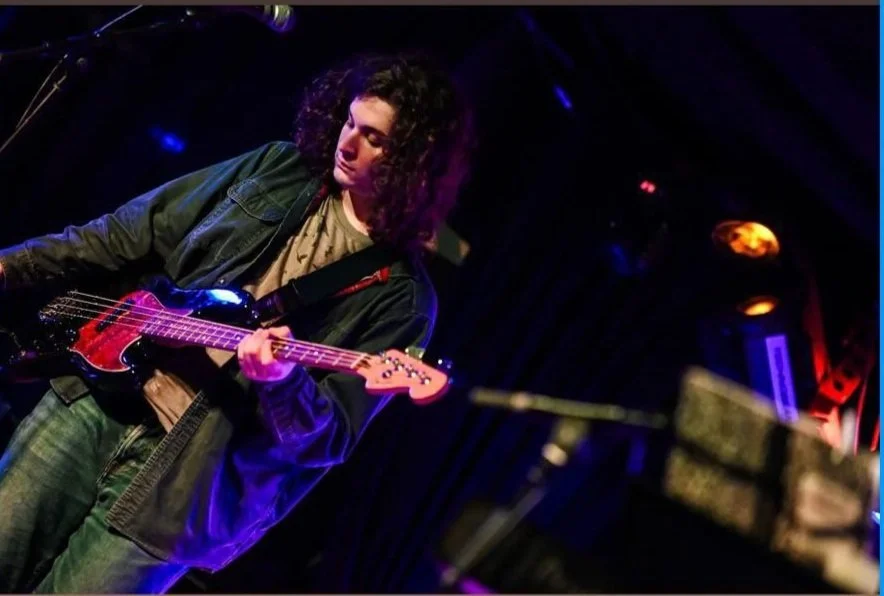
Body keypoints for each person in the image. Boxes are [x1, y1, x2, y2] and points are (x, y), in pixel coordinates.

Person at [0, 52, 473, 593]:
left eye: (374, 139)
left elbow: (327, 439)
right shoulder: (277, 169)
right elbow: (131, 230)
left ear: (415, 161)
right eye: (349, 122)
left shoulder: (404, 301)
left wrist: (282, 383)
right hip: (96, 400)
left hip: (181, 492)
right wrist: (12, 266)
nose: (348, 144)